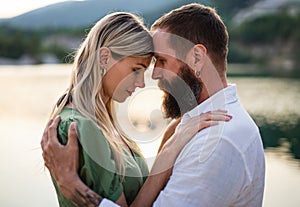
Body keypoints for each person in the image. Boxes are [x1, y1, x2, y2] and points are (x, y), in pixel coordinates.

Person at [41, 3, 265, 207]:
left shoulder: (217, 140)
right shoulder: (83, 127)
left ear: (197, 58)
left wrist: (73, 186)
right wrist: (171, 142)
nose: (153, 75)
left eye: (162, 61)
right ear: (104, 58)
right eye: (137, 69)